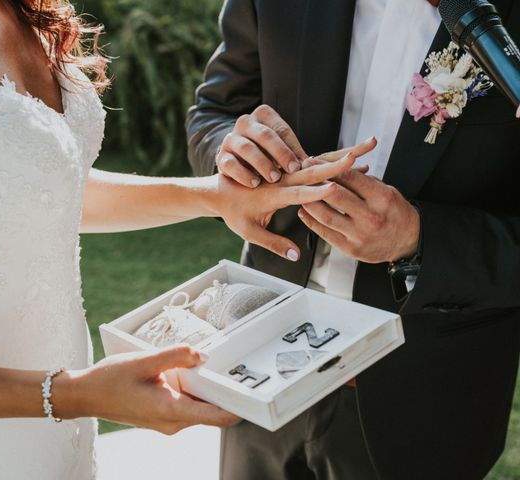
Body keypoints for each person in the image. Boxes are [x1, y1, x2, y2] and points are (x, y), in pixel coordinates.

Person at [0, 0, 378, 478]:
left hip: (58, 440)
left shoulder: (17, 6)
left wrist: (213, 196)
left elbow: (38, 189)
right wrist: (70, 394)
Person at [187, 1, 520, 479]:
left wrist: (419, 238)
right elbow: (216, 112)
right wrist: (232, 153)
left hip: (426, 397)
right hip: (258, 362)